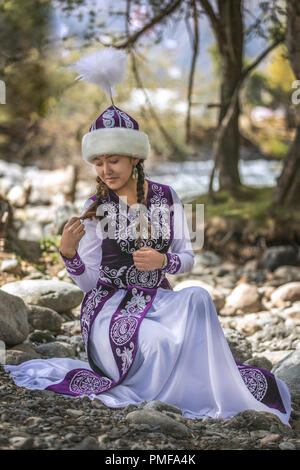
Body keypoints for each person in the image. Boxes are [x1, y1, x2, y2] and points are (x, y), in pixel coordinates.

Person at [3, 47, 292, 426]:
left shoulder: (166, 196)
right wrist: (69, 254)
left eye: (114, 160)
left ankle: (213, 389)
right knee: (159, 344)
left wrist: (163, 262)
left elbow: (187, 257)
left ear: (135, 158)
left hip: (159, 298)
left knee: (200, 297)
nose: (106, 170)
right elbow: (89, 283)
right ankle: (171, 395)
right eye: (99, 162)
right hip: (108, 309)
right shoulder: (95, 206)